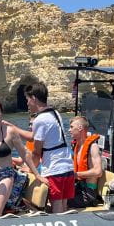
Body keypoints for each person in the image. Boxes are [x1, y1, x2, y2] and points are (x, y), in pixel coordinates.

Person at [25, 82, 75, 213]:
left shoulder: (40, 120)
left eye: (28, 99)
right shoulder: (55, 113)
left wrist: (30, 170)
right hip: (67, 166)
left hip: (54, 168)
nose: (27, 103)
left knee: (57, 205)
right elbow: (35, 137)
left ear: (34, 98)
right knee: (64, 204)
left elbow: (36, 152)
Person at [68, 116, 103, 208]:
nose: (69, 130)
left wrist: (76, 174)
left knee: (60, 200)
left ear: (80, 128)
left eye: (71, 127)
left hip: (88, 193)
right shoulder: (76, 146)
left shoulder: (93, 147)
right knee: (55, 194)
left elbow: (98, 172)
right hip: (77, 187)